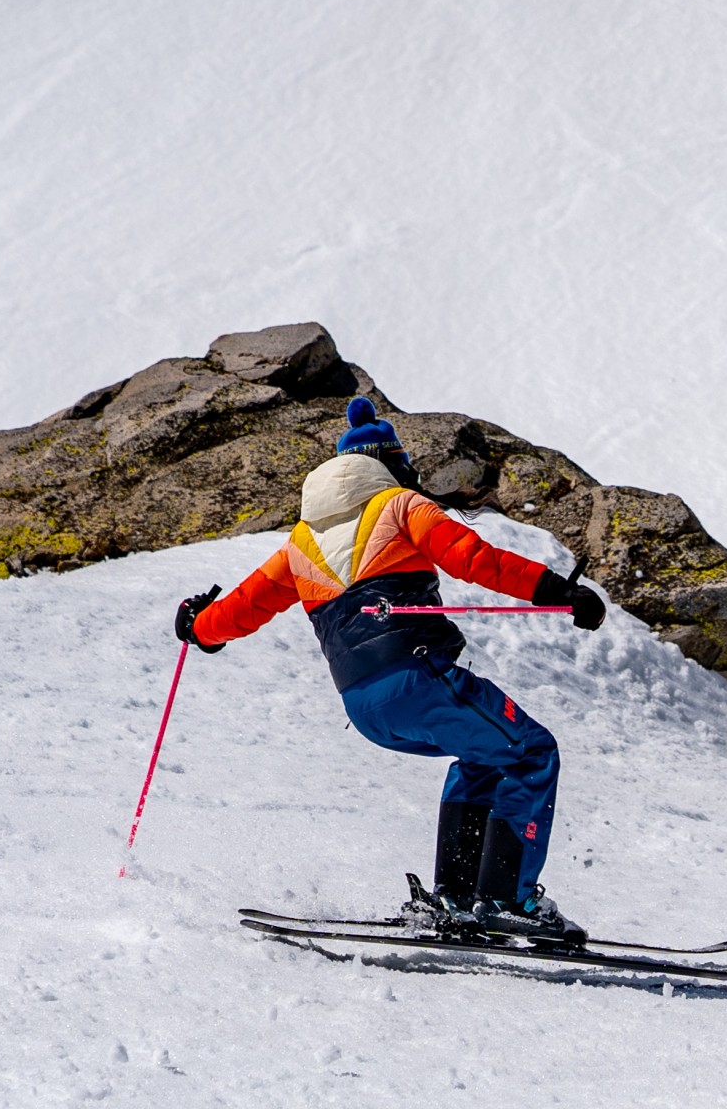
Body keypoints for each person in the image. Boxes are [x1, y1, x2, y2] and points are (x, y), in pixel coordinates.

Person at [174, 396, 607, 940]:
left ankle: (454, 898)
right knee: (532, 751)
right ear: (389, 464)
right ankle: (507, 900)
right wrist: (559, 592)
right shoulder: (400, 506)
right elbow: (476, 559)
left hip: (363, 706)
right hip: (418, 679)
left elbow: (241, 608)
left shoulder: (300, 543)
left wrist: (198, 625)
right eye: (407, 465)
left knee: (483, 759)